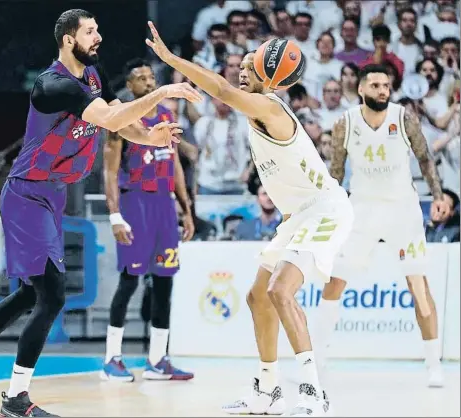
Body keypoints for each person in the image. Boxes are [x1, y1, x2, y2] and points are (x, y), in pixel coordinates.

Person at [0, 9, 202, 418]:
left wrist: (148, 137)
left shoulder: (94, 73)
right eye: (90, 32)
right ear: (67, 39)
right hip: (27, 194)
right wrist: (162, 94)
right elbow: (111, 116)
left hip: (51, 194)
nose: (99, 37)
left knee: (30, 293)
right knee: (53, 294)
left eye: (98, 30)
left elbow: (118, 122)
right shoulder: (53, 85)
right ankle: (15, 399)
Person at [147, 24, 354, 416]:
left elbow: (222, 92)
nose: (240, 73)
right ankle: (268, 390)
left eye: (249, 67)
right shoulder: (258, 106)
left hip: (325, 208)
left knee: (280, 290)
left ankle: (313, 391)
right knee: (257, 296)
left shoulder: (270, 106)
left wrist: (172, 61)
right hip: (300, 215)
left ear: (268, 74)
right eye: (239, 67)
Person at [316, 64, 450, 388]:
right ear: (361, 89)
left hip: (402, 210)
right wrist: (328, 210)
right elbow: (335, 173)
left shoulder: (404, 118)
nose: (381, 90)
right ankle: (316, 360)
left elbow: (425, 158)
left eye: (386, 86)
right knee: (334, 280)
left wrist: (438, 194)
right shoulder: (343, 123)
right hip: (360, 209)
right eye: (375, 85)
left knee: (418, 286)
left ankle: (434, 364)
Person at [102, 58, 195, 381]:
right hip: (135, 204)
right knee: (130, 281)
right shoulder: (121, 119)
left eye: (151, 77)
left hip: (164, 206)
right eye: (140, 79)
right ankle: (112, 358)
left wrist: (186, 208)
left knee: (165, 282)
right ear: (130, 87)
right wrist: (114, 215)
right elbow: (110, 170)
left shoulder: (168, 116)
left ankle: (158, 360)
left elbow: (176, 164)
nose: (149, 82)